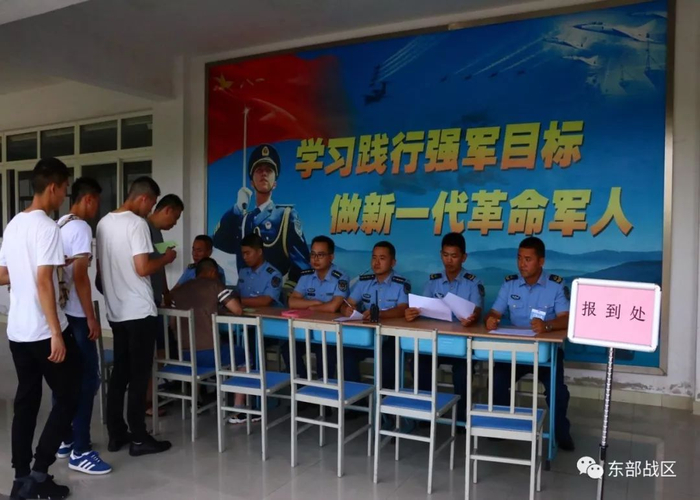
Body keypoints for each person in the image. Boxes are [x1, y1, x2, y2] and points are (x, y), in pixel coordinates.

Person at [1, 158, 80, 500]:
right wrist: (56, 332)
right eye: (64, 189)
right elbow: (44, 281)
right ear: (52, 187)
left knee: (27, 401)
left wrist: (36, 269)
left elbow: (4, 274)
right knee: (71, 395)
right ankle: (39, 472)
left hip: (17, 331)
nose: (64, 196)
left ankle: (21, 478)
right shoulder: (48, 228)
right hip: (43, 331)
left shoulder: (14, 224)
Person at [96, 176, 176, 457]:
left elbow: (99, 275)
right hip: (140, 311)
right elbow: (143, 268)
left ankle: (117, 433)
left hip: (116, 312)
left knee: (120, 373)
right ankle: (140, 437)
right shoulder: (137, 224)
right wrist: (165, 259)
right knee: (140, 376)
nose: (150, 209)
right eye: (151, 204)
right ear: (143, 198)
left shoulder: (103, 224)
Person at [484, 236, 574, 451]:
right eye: (519, 258)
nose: (521, 264)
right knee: (496, 381)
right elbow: (495, 311)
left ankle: (561, 432)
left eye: (527, 259)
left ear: (541, 261)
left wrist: (547, 326)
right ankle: (502, 426)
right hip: (515, 351)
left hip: (546, 351)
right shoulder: (510, 284)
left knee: (557, 391)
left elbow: (567, 318)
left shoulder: (555, 286)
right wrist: (491, 319)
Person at [53, 177, 112, 475]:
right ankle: (81, 449)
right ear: (88, 199)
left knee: (65, 379)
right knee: (88, 380)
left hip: (61, 315)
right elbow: (80, 277)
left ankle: (65, 439)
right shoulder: (80, 228)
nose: (97, 208)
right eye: (97, 201)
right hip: (76, 315)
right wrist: (91, 316)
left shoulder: (60, 224)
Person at [404, 232, 483, 422]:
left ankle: (461, 418)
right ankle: (426, 413)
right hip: (435, 342)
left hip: (461, 345)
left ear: (464, 257)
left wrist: (472, 318)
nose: (449, 260)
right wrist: (412, 313)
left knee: (463, 371)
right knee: (418, 363)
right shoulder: (433, 281)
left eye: (454, 256)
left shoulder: (473, 283)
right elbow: (422, 308)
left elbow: (478, 311)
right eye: (446, 255)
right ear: (441, 255)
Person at [212, 143, 310, 289]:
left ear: (275, 183)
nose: (264, 173)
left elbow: (302, 264)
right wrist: (237, 208)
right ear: (252, 183)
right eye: (259, 170)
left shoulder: (285, 216)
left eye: (269, 170)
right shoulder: (242, 219)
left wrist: (287, 292)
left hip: (275, 294)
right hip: (245, 292)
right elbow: (219, 240)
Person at [169, 257, 251, 420]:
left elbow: (172, 323)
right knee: (243, 355)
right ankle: (239, 409)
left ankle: (196, 401)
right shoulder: (215, 285)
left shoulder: (179, 291)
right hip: (210, 354)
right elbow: (237, 310)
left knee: (197, 359)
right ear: (213, 272)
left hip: (183, 355)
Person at [340, 241, 410, 388]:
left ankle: (385, 398)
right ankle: (356, 397)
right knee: (346, 354)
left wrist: (380, 315)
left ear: (393, 262)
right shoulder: (364, 282)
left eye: (382, 258)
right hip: (366, 336)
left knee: (387, 358)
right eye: (374, 258)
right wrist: (346, 309)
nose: (376, 262)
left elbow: (403, 309)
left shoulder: (401, 283)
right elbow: (348, 303)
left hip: (390, 337)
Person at [288, 235, 350, 379]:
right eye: (313, 254)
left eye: (321, 255)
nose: (315, 259)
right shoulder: (306, 276)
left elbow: (333, 307)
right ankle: (302, 383)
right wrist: (314, 303)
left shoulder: (341, 277)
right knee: (287, 348)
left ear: (331, 257)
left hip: (330, 334)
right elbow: (292, 302)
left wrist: (309, 307)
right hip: (307, 331)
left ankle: (324, 388)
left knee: (324, 353)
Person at [147, 194, 184, 307]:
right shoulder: (143, 228)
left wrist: (165, 291)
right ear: (168, 210)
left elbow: (160, 265)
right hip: (144, 298)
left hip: (155, 296)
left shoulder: (157, 232)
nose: (175, 223)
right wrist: (166, 258)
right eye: (176, 218)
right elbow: (142, 264)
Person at [236, 233, 283, 308]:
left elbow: (266, 301)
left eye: (247, 253)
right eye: (243, 254)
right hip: (242, 314)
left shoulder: (274, 275)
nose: (244, 257)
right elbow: (236, 294)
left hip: (265, 315)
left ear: (259, 252)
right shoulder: (243, 272)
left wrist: (238, 301)